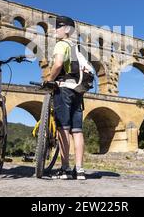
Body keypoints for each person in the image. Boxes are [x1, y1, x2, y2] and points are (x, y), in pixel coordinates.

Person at [46, 16, 86, 180]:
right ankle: (80, 170)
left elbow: (58, 64)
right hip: (78, 90)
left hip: (63, 89)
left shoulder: (61, 44)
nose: (54, 30)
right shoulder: (78, 47)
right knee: (77, 131)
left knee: (63, 128)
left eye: (58, 27)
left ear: (67, 30)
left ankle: (65, 169)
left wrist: (49, 79)